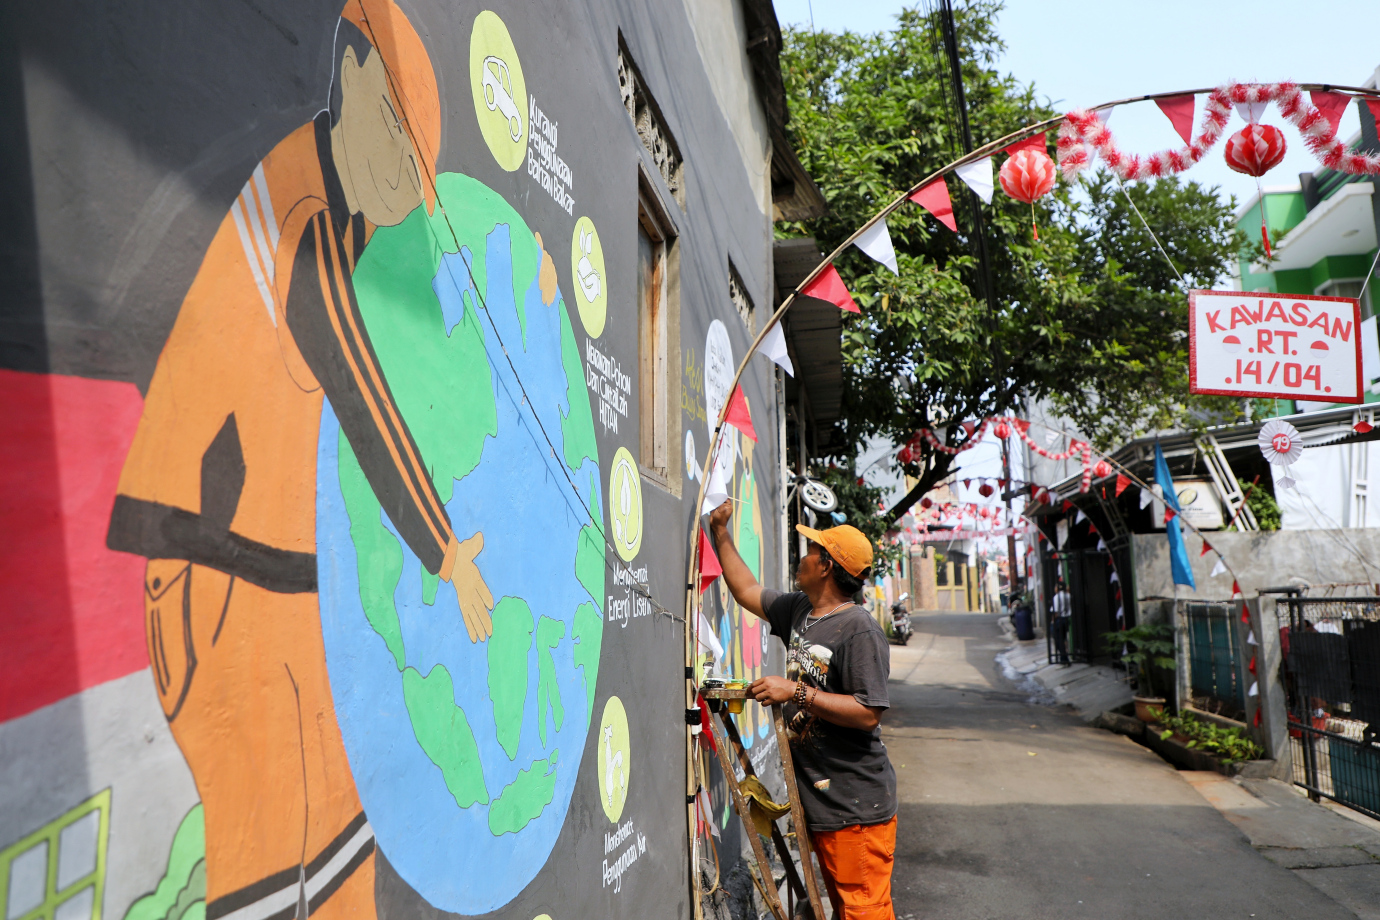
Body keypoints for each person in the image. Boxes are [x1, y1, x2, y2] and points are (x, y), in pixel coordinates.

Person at [104, 3, 512, 916]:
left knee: (338, 846)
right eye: (400, 147)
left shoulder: (343, 210)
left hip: (285, 585)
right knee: (266, 852)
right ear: (353, 76)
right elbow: (363, 396)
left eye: (418, 171)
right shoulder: (300, 208)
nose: (405, 186)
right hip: (216, 579)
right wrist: (445, 552)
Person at [709, 500, 897, 920]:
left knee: (863, 911)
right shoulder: (800, 610)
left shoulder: (859, 630)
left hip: (855, 806)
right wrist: (719, 531)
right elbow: (746, 591)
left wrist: (796, 691)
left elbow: (868, 712)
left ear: (826, 566)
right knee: (845, 908)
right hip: (823, 803)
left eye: (812, 551)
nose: (803, 556)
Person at [1051, 579, 1072, 665]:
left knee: (1058, 640)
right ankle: (1065, 658)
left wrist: (1052, 621)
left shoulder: (1056, 597)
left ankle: (1064, 659)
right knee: (1063, 639)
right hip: (1066, 619)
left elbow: (1055, 612)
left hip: (1059, 620)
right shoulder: (1068, 595)